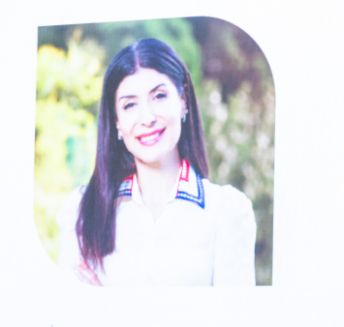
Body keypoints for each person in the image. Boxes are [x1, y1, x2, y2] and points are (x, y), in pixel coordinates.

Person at [58, 38, 256, 286]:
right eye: (130, 105)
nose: (147, 117)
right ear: (117, 121)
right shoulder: (81, 210)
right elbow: (70, 309)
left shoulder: (227, 210)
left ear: (183, 101)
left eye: (159, 96)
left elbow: (234, 313)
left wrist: (106, 302)